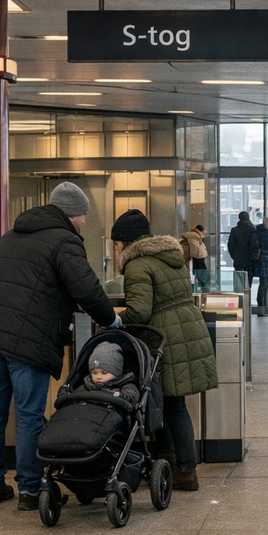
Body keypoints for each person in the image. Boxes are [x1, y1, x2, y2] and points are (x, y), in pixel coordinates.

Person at [0, 181, 120, 510]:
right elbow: (87, 289)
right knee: (29, 416)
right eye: (82, 217)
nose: (82, 223)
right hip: (28, 342)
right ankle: (30, 490)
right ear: (73, 214)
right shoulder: (64, 240)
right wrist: (111, 321)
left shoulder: (9, 236)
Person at [111, 209, 218, 490]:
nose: (116, 250)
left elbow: (140, 311)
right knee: (169, 400)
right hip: (185, 329)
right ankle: (169, 461)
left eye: (117, 243)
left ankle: (185, 468)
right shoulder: (170, 257)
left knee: (172, 404)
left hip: (165, 336)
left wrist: (116, 317)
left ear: (125, 241)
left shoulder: (137, 265)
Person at [227, 211, 257, 289]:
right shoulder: (253, 229)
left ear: (239, 218)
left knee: (239, 281)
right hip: (250, 259)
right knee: (248, 281)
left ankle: (240, 298)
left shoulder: (234, 230)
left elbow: (231, 245)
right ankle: (247, 297)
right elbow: (255, 244)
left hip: (239, 258)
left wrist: (234, 256)